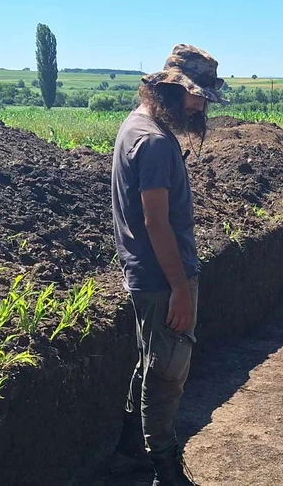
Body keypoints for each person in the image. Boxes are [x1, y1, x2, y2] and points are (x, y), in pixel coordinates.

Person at [111, 44, 226, 486]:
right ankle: (165, 469)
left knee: (151, 362)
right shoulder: (155, 142)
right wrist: (179, 287)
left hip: (148, 275)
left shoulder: (135, 127)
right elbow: (155, 221)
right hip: (162, 280)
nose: (200, 104)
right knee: (167, 375)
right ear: (173, 91)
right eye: (197, 95)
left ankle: (128, 451)